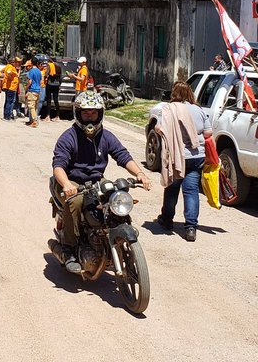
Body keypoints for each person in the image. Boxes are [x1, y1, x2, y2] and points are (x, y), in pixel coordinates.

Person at [51, 90, 153, 273]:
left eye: (94, 113)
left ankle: (118, 230)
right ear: (78, 114)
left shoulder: (105, 136)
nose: (90, 117)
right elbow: (58, 164)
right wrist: (66, 184)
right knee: (75, 202)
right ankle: (69, 248)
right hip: (72, 181)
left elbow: (122, 155)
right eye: (85, 113)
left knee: (114, 195)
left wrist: (140, 174)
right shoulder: (69, 137)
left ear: (100, 114)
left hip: (96, 180)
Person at [150, 82, 212, 242]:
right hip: (196, 156)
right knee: (191, 191)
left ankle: (167, 220)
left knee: (172, 189)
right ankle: (191, 228)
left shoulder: (169, 109)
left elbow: (159, 128)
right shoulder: (199, 110)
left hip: (178, 156)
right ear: (190, 93)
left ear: (174, 93)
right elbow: (208, 132)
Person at [41, 56, 62, 122]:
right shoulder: (59, 66)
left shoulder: (49, 65)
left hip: (50, 83)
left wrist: (44, 77)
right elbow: (60, 77)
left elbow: (46, 74)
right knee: (56, 100)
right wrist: (59, 84)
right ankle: (58, 116)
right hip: (57, 84)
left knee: (49, 100)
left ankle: (48, 116)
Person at [1, 56, 19, 121]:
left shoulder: (7, 66)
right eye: (15, 62)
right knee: (10, 102)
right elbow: (8, 72)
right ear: (12, 62)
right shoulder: (10, 67)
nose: (16, 63)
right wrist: (9, 78)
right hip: (11, 87)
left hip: (9, 86)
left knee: (7, 101)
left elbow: (2, 71)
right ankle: (7, 116)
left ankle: (5, 115)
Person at [25, 60, 43, 128]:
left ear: (32, 64)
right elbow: (40, 80)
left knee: (31, 106)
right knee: (35, 107)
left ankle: (35, 121)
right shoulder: (39, 71)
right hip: (38, 90)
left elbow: (30, 81)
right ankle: (32, 120)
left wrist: (26, 88)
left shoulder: (31, 71)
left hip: (32, 90)